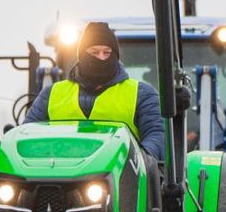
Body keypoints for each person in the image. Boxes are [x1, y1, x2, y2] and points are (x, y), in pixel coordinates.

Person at [25, 22, 165, 160]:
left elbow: (157, 134)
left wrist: (142, 159)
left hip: (121, 173)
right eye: (94, 52)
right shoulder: (51, 94)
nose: (101, 58)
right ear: (81, 56)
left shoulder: (142, 94)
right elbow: (28, 134)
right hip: (60, 171)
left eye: (107, 52)